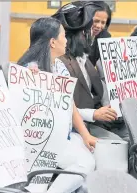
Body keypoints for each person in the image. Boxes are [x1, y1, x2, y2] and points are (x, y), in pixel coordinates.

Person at [18, 17, 98, 193]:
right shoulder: (28, 69)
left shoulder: (60, 66)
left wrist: (86, 135)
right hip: (39, 141)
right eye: (64, 36)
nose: (67, 40)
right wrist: (32, 81)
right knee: (84, 164)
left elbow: (70, 105)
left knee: (91, 158)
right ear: (53, 42)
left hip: (62, 135)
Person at [52, 2, 129, 141]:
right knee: (118, 143)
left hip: (92, 117)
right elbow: (63, 107)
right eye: (90, 26)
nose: (94, 31)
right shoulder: (58, 63)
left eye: (102, 23)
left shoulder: (83, 57)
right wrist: (94, 114)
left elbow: (97, 88)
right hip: (73, 127)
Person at [88, 1, 112, 66]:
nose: (99, 26)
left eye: (103, 23)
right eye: (96, 21)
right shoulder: (74, 36)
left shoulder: (105, 37)